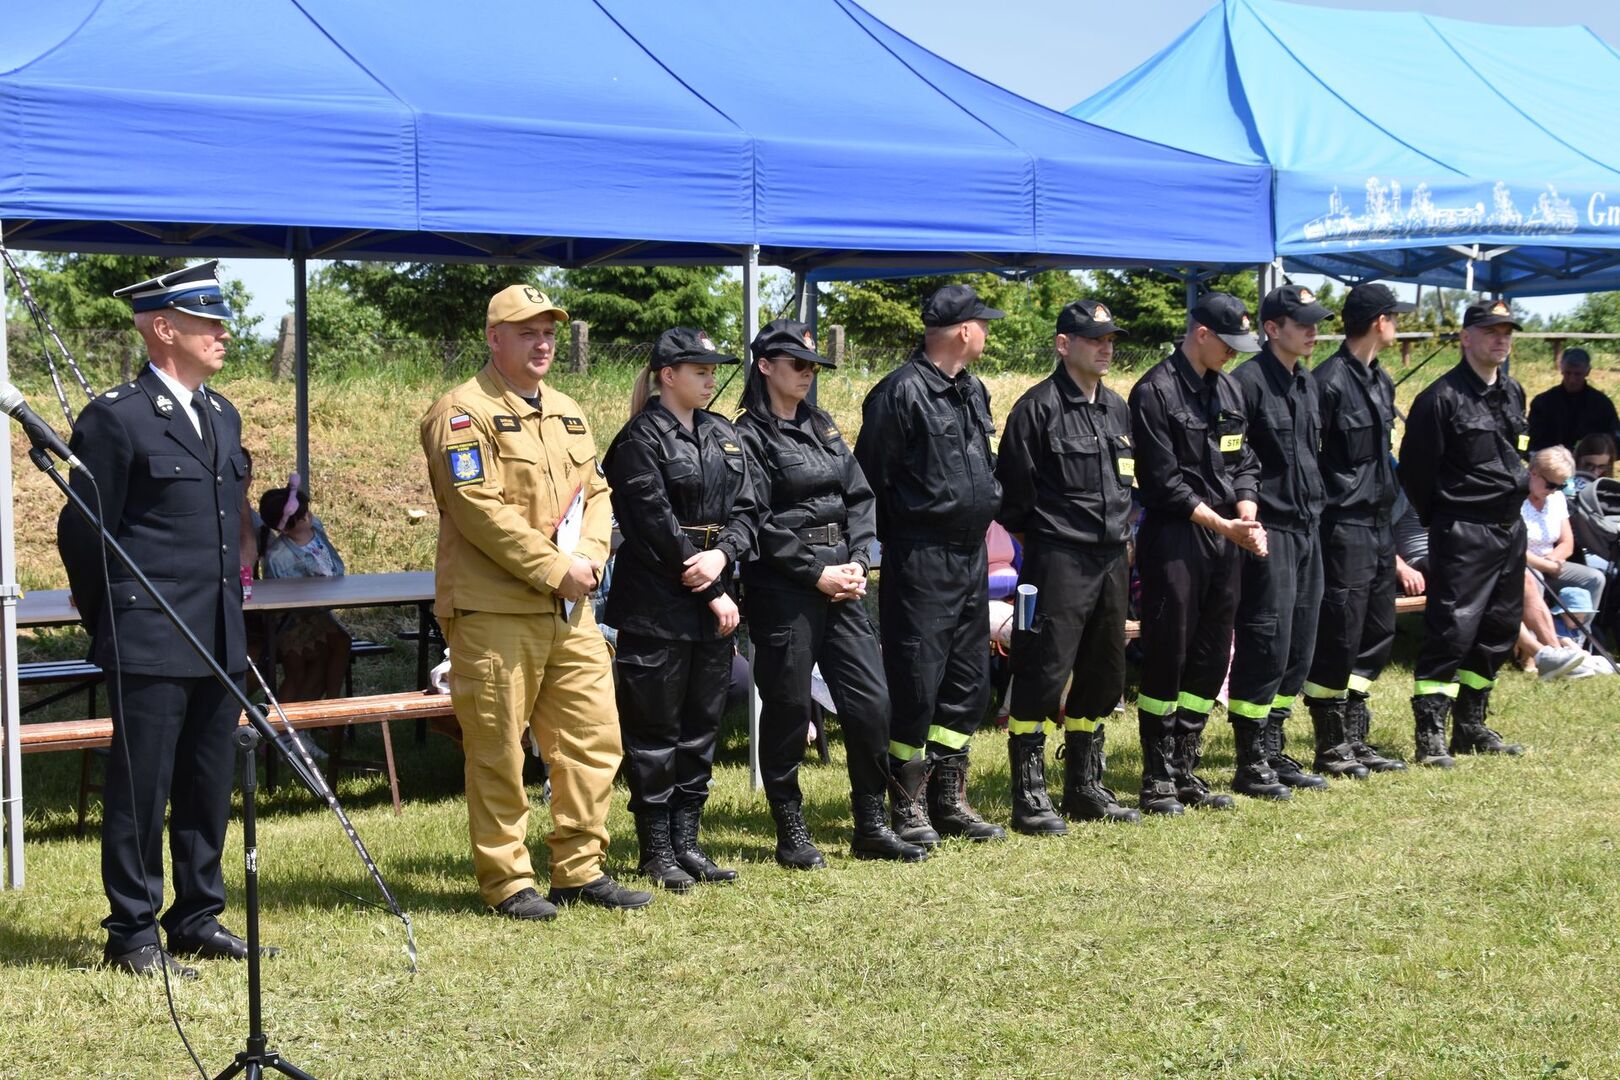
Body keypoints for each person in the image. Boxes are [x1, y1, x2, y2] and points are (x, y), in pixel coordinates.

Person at [56, 261, 259, 978]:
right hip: (148, 631)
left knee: (207, 779)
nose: (224, 333)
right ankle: (133, 932)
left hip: (218, 630)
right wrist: (113, 618)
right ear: (164, 329)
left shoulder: (222, 413)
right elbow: (83, 532)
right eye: (209, 323)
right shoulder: (116, 417)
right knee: (142, 787)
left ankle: (197, 916)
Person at [420, 283, 646, 921]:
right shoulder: (461, 413)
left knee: (593, 739)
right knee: (499, 750)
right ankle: (508, 882)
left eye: (548, 332)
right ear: (494, 339)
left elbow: (596, 492)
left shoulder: (568, 411)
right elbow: (477, 509)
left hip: (571, 610)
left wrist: (591, 558)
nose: (542, 343)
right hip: (496, 610)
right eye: (527, 332)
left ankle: (579, 869)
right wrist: (555, 569)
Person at [734, 319, 926, 866]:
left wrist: (860, 560)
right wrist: (816, 571)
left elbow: (860, 496)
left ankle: (870, 822)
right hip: (786, 588)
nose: (807, 374)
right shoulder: (747, 435)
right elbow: (758, 519)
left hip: (843, 580)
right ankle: (790, 827)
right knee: (789, 708)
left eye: (813, 366)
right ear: (765, 366)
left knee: (872, 702)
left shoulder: (822, 425)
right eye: (798, 364)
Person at [602, 327, 760, 890]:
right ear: (667, 376)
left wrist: (723, 554)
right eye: (700, 370)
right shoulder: (638, 439)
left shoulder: (723, 433)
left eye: (713, 370)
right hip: (657, 604)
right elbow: (653, 524)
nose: (711, 379)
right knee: (655, 732)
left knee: (700, 726)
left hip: (713, 591)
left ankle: (687, 843)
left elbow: (750, 507)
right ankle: (656, 850)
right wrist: (710, 585)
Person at [854, 284, 1006, 844]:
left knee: (968, 682)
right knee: (917, 682)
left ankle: (949, 798)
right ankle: (906, 802)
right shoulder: (899, 392)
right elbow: (868, 480)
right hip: (921, 556)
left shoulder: (973, 390)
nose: (986, 332)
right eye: (982, 323)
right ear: (964, 331)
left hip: (970, 554)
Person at [994, 299, 1140, 829]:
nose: (1106, 348)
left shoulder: (1117, 408)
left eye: (1110, 339)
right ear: (1063, 344)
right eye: (1094, 338)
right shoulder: (1037, 409)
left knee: (1104, 672)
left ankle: (1085, 785)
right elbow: (1014, 498)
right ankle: (1030, 794)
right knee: (1043, 669)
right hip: (1057, 560)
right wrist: (1048, 547)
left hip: (1112, 559)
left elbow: (1127, 484)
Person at [1127, 292, 1265, 815]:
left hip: (1227, 536)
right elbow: (1163, 483)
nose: (1233, 353)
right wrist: (1225, 524)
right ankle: (1156, 777)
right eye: (1227, 343)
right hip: (1177, 538)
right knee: (1170, 653)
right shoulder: (1154, 391)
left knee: (1211, 653)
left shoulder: (1228, 388)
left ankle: (1185, 768)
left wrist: (1246, 514)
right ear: (1201, 333)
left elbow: (1244, 461)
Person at [1399, 299, 1534, 766]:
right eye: (1491, 331)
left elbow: (1518, 451)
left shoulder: (1512, 391)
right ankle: (1430, 733)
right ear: (1465, 337)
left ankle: (1470, 725)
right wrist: (1443, 519)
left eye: (1507, 331)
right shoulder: (1441, 398)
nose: (1501, 339)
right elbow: (1415, 472)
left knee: (1499, 627)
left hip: (1510, 527)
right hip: (1463, 528)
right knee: (1452, 628)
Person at [1223, 285, 1333, 801]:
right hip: (1270, 530)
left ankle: (1274, 746)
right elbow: (1234, 462)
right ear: (1271, 328)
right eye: (1302, 322)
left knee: (1299, 644)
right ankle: (1250, 760)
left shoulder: (1306, 381)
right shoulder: (1246, 384)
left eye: (1315, 322)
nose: (1313, 331)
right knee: (1266, 640)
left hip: (1309, 527)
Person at [1304, 283, 1414, 780]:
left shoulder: (1380, 379)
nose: (1398, 326)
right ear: (1378, 321)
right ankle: (1331, 745)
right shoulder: (1326, 382)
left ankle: (1355, 736)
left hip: (1379, 523)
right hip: (1342, 524)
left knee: (1376, 630)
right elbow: (1312, 459)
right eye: (1395, 317)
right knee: (1340, 632)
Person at [257, 476, 352, 701]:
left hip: (317, 615)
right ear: (287, 526)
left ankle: (332, 703)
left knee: (341, 643)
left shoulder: (315, 529)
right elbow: (284, 603)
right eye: (301, 516)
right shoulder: (279, 557)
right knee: (299, 671)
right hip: (290, 622)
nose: (308, 516)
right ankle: (286, 719)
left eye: (307, 511)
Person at [1527, 348, 1618, 452]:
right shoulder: (1543, 402)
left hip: (1588, 460)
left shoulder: (1602, 404)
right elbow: (1529, 439)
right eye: (1568, 373)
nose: (1572, 380)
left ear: (1587, 371)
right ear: (1561, 369)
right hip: (1551, 459)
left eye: (1577, 374)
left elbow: (1615, 439)